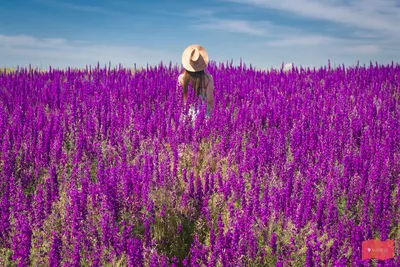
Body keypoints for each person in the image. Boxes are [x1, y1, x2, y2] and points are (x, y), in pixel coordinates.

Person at [177, 44, 215, 120]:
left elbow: (179, 99)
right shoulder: (208, 78)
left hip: (186, 113)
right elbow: (210, 99)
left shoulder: (181, 78)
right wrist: (212, 115)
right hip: (202, 113)